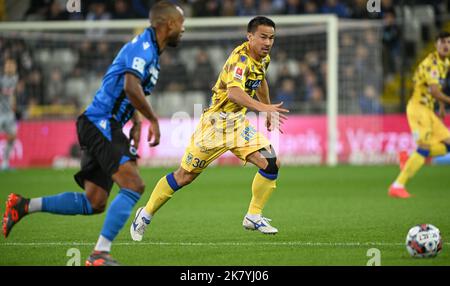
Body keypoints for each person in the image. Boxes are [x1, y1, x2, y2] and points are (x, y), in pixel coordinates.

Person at [2, 1, 185, 266]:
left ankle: (23, 205)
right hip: (100, 121)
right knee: (133, 185)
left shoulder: (152, 52)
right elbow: (131, 85)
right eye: (181, 23)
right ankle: (99, 254)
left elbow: (127, 90)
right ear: (168, 23)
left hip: (101, 123)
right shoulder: (143, 48)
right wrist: (152, 120)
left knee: (94, 201)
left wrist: (133, 122)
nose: (183, 29)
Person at [130, 16, 289, 242]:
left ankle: (253, 215)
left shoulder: (263, 59)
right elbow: (234, 93)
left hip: (237, 125)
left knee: (271, 162)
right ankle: (145, 214)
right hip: (215, 125)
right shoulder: (240, 60)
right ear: (250, 36)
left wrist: (266, 109)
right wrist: (263, 107)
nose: (268, 42)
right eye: (263, 37)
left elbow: (260, 79)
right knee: (184, 176)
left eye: (271, 38)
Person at [389, 32, 450, 198]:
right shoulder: (432, 64)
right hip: (418, 109)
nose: (446, 45)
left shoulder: (445, 63)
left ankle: (409, 158)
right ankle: (397, 185)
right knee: (423, 148)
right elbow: (436, 91)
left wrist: (442, 106)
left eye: (449, 42)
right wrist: (445, 101)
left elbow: (439, 88)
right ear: (436, 44)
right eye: (442, 42)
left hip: (429, 110)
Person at [0, 58, 19, 171]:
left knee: (12, 137)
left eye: (12, 65)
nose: (10, 67)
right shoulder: (2, 80)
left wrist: (14, 104)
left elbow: (13, 95)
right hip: (0, 112)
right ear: (5, 67)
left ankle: (5, 163)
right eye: (8, 65)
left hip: (9, 113)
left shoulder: (15, 79)